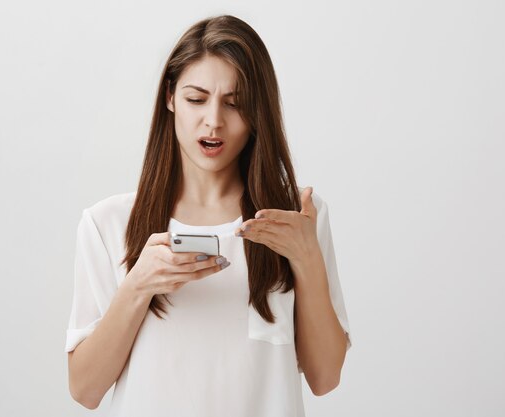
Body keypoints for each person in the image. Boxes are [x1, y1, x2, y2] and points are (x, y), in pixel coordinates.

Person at [65, 14, 351, 417]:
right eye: (196, 99)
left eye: (235, 104)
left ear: (258, 113)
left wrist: (306, 259)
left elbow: (325, 378)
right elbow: (84, 389)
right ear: (170, 97)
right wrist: (137, 286)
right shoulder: (107, 223)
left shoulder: (299, 219)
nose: (213, 120)